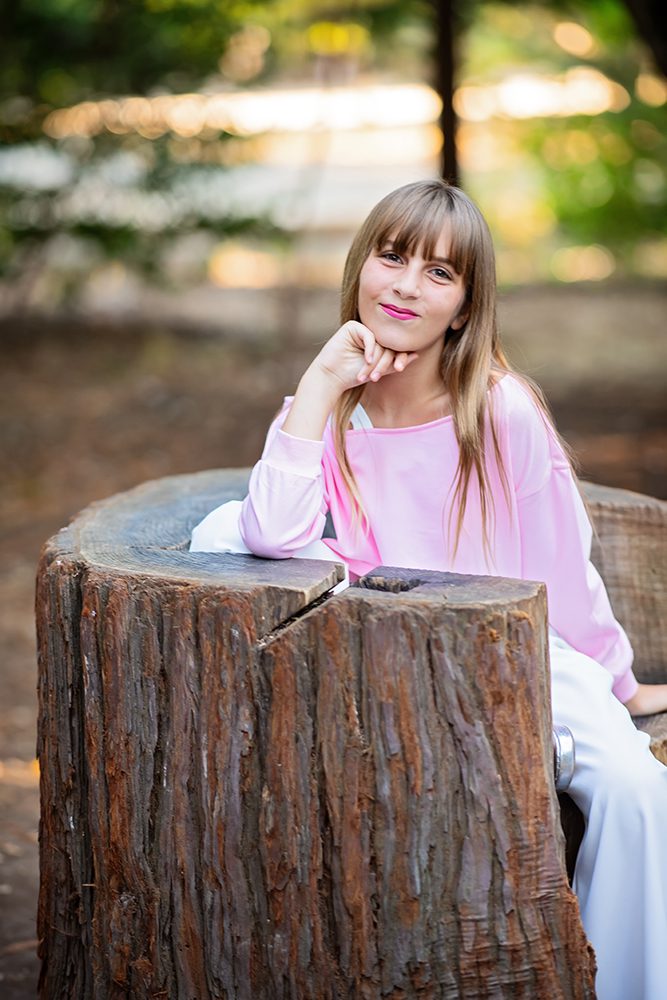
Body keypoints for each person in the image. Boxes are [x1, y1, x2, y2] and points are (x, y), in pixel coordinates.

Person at [191, 179, 667, 999]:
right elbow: (271, 531)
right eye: (393, 257)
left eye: (440, 274)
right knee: (223, 530)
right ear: (362, 268)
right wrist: (318, 383)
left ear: (464, 305)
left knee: (634, 791)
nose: (408, 286)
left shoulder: (498, 410)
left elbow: (562, 564)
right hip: (386, 667)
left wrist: (617, 685)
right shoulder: (326, 411)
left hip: (516, 655)